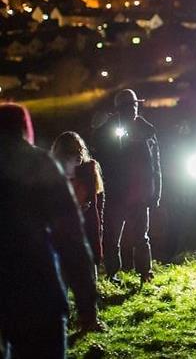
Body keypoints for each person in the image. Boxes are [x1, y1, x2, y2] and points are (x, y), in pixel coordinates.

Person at [0, 103, 99, 358]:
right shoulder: (40, 164)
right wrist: (86, 302)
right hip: (38, 291)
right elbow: (71, 238)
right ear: (24, 128)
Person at [93, 89, 161, 283]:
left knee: (141, 236)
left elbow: (156, 165)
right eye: (128, 106)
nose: (132, 109)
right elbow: (99, 155)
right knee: (112, 237)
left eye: (134, 105)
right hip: (116, 193)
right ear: (119, 109)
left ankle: (144, 273)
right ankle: (113, 274)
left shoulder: (147, 131)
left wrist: (156, 193)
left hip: (139, 193)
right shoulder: (107, 131)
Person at [51, 131, 106, 269]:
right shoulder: (52, 177)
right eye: (72, 152)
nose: (78, 155)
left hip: (84, 238)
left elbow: (97, 211)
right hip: (61, 241)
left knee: (87, 282)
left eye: (79, 150)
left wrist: (97, 244)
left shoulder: (88, 174)